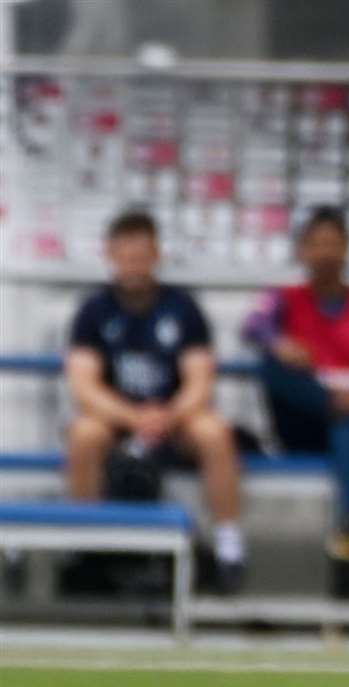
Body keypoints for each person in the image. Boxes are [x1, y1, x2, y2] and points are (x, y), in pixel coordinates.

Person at [65, 208, 246, 591]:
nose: (133, 265)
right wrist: (133, 417)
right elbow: (84, 383)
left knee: (214, 431)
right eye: (125, 256)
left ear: (156, 254)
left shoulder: (183, 308)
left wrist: (168, 415)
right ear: (110, 254)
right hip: (119, 420)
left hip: (175, 419)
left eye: (141, 255)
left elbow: (199, 379)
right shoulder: (93, 311)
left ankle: (229, 546)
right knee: (84, 433)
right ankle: (85, 547)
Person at [241, 206, 349, 527]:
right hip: (302, 423)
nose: (325, 253)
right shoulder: (283, 299)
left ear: (346, 248)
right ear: (302, 250)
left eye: (333, 243)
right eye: (316, 244)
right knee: (272, 365)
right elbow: (252, 326)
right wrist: (280, 343)